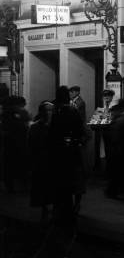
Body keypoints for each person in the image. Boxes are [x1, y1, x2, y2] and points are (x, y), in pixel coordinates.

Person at [50, 86, 86, 224]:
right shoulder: (72, 111)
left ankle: (60, 209)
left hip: (58, 152)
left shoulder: (55, 111)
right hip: (72, 151)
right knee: (74, 180)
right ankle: (71, 208)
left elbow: (51, 133)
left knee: (60, 182)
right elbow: (80, 130)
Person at [29, 101, 55, 222]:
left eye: (52, 110)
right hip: (41, 160)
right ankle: (44, 207)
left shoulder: (56, 126)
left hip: (53, 160)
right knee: (43, 186)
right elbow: (31, 145)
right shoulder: (35, 127)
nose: (50, 113)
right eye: (48, 110)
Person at [1, 95, 30, 193]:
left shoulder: (6, 113)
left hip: (9, 142)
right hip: (18, 142)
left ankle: (10, 185)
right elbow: (22, 126)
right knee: (21, 163)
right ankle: (22, 184)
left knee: (9, 164)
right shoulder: (17, 113)